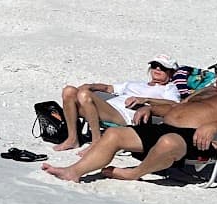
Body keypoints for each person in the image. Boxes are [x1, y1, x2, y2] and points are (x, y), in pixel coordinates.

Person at [44, 51, 217, 183]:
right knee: (113, 134)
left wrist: (214, 127)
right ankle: (73, 172)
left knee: (168, 143)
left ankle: (135, 173)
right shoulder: (207, 90)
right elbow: (179, 109)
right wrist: (152, 109)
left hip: (201, 139)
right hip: (165, 127)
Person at [54, 55, 182, 151]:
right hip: (108, 107)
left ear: (171, 72)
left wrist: (146, 100)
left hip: (123, 115)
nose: (157, 68)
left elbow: (173, 104)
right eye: (154, 65)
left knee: (84, 95)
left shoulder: (169, 88)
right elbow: (109, 88)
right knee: (69, 91)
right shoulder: (136, 83)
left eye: (163, 67)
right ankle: (72, 139)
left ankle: (96, 142)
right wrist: (91, 85)